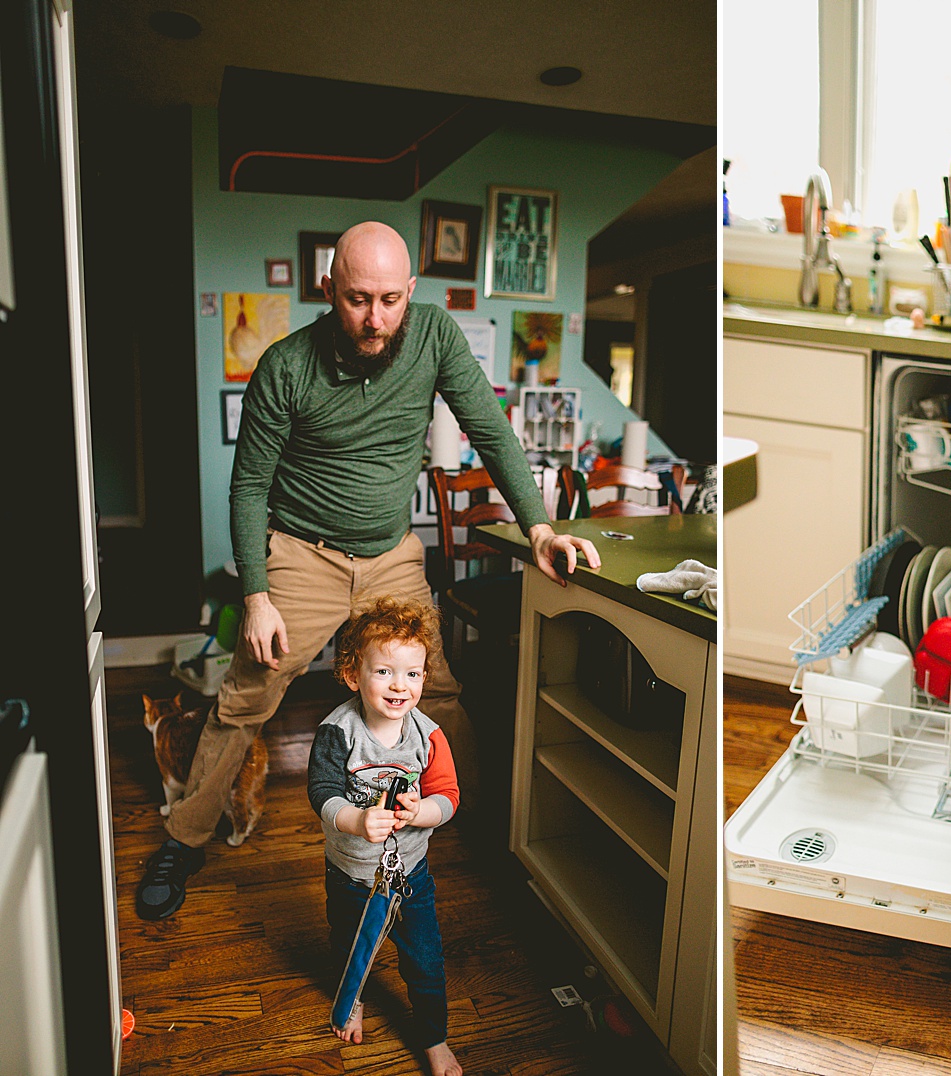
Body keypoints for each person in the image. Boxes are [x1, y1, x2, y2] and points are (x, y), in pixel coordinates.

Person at [136, 221, 600, 921]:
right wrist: (257, 596)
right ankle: (185, 837)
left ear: (411, 291)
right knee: (247, 698)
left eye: (390, 299)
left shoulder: (435, 337)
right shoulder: (287, 366)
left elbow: (492, 432)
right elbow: (249, 488)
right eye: (358, 300)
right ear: (329, 290)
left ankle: (481, 829)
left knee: (436, 690)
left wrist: (537, 524)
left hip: (390, 555)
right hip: (301, 552)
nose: (376, 318)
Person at [308, 596, 461, 1076]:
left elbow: (449, 795)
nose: (400, 686)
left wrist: (424, 812)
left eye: (412, 674)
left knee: (426, 960)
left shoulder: (429, 735)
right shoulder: (339, 731)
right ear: (354, 675)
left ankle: (433, 1037)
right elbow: (322, 790)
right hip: (351, 874)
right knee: (352, 947)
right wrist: (355, 820)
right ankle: (352, 1000)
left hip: (409, 876)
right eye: (385, 672)